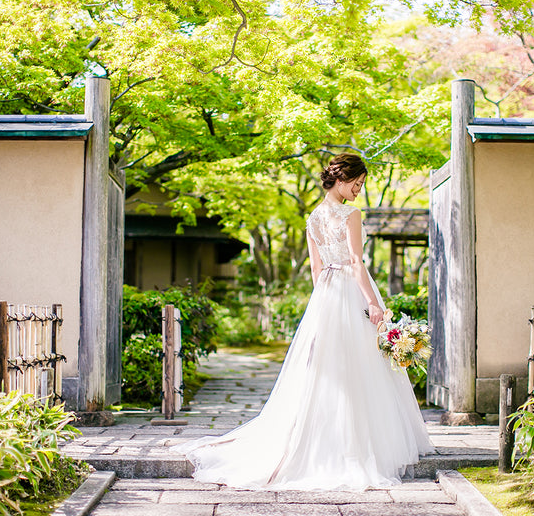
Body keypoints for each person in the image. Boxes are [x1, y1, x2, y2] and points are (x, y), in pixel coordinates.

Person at [173, 153, 435, 490]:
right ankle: (354, 445)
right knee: (360, 367)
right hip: (351, 292)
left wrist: (323, 307)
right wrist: (373, 304)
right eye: (358, 183)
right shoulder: (350, 215)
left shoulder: (313, 218)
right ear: (342, 179)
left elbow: (315, 269)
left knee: (327, 370)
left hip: (326, 296)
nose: (360, 190)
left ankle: (326, 439)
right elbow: (356, 263)